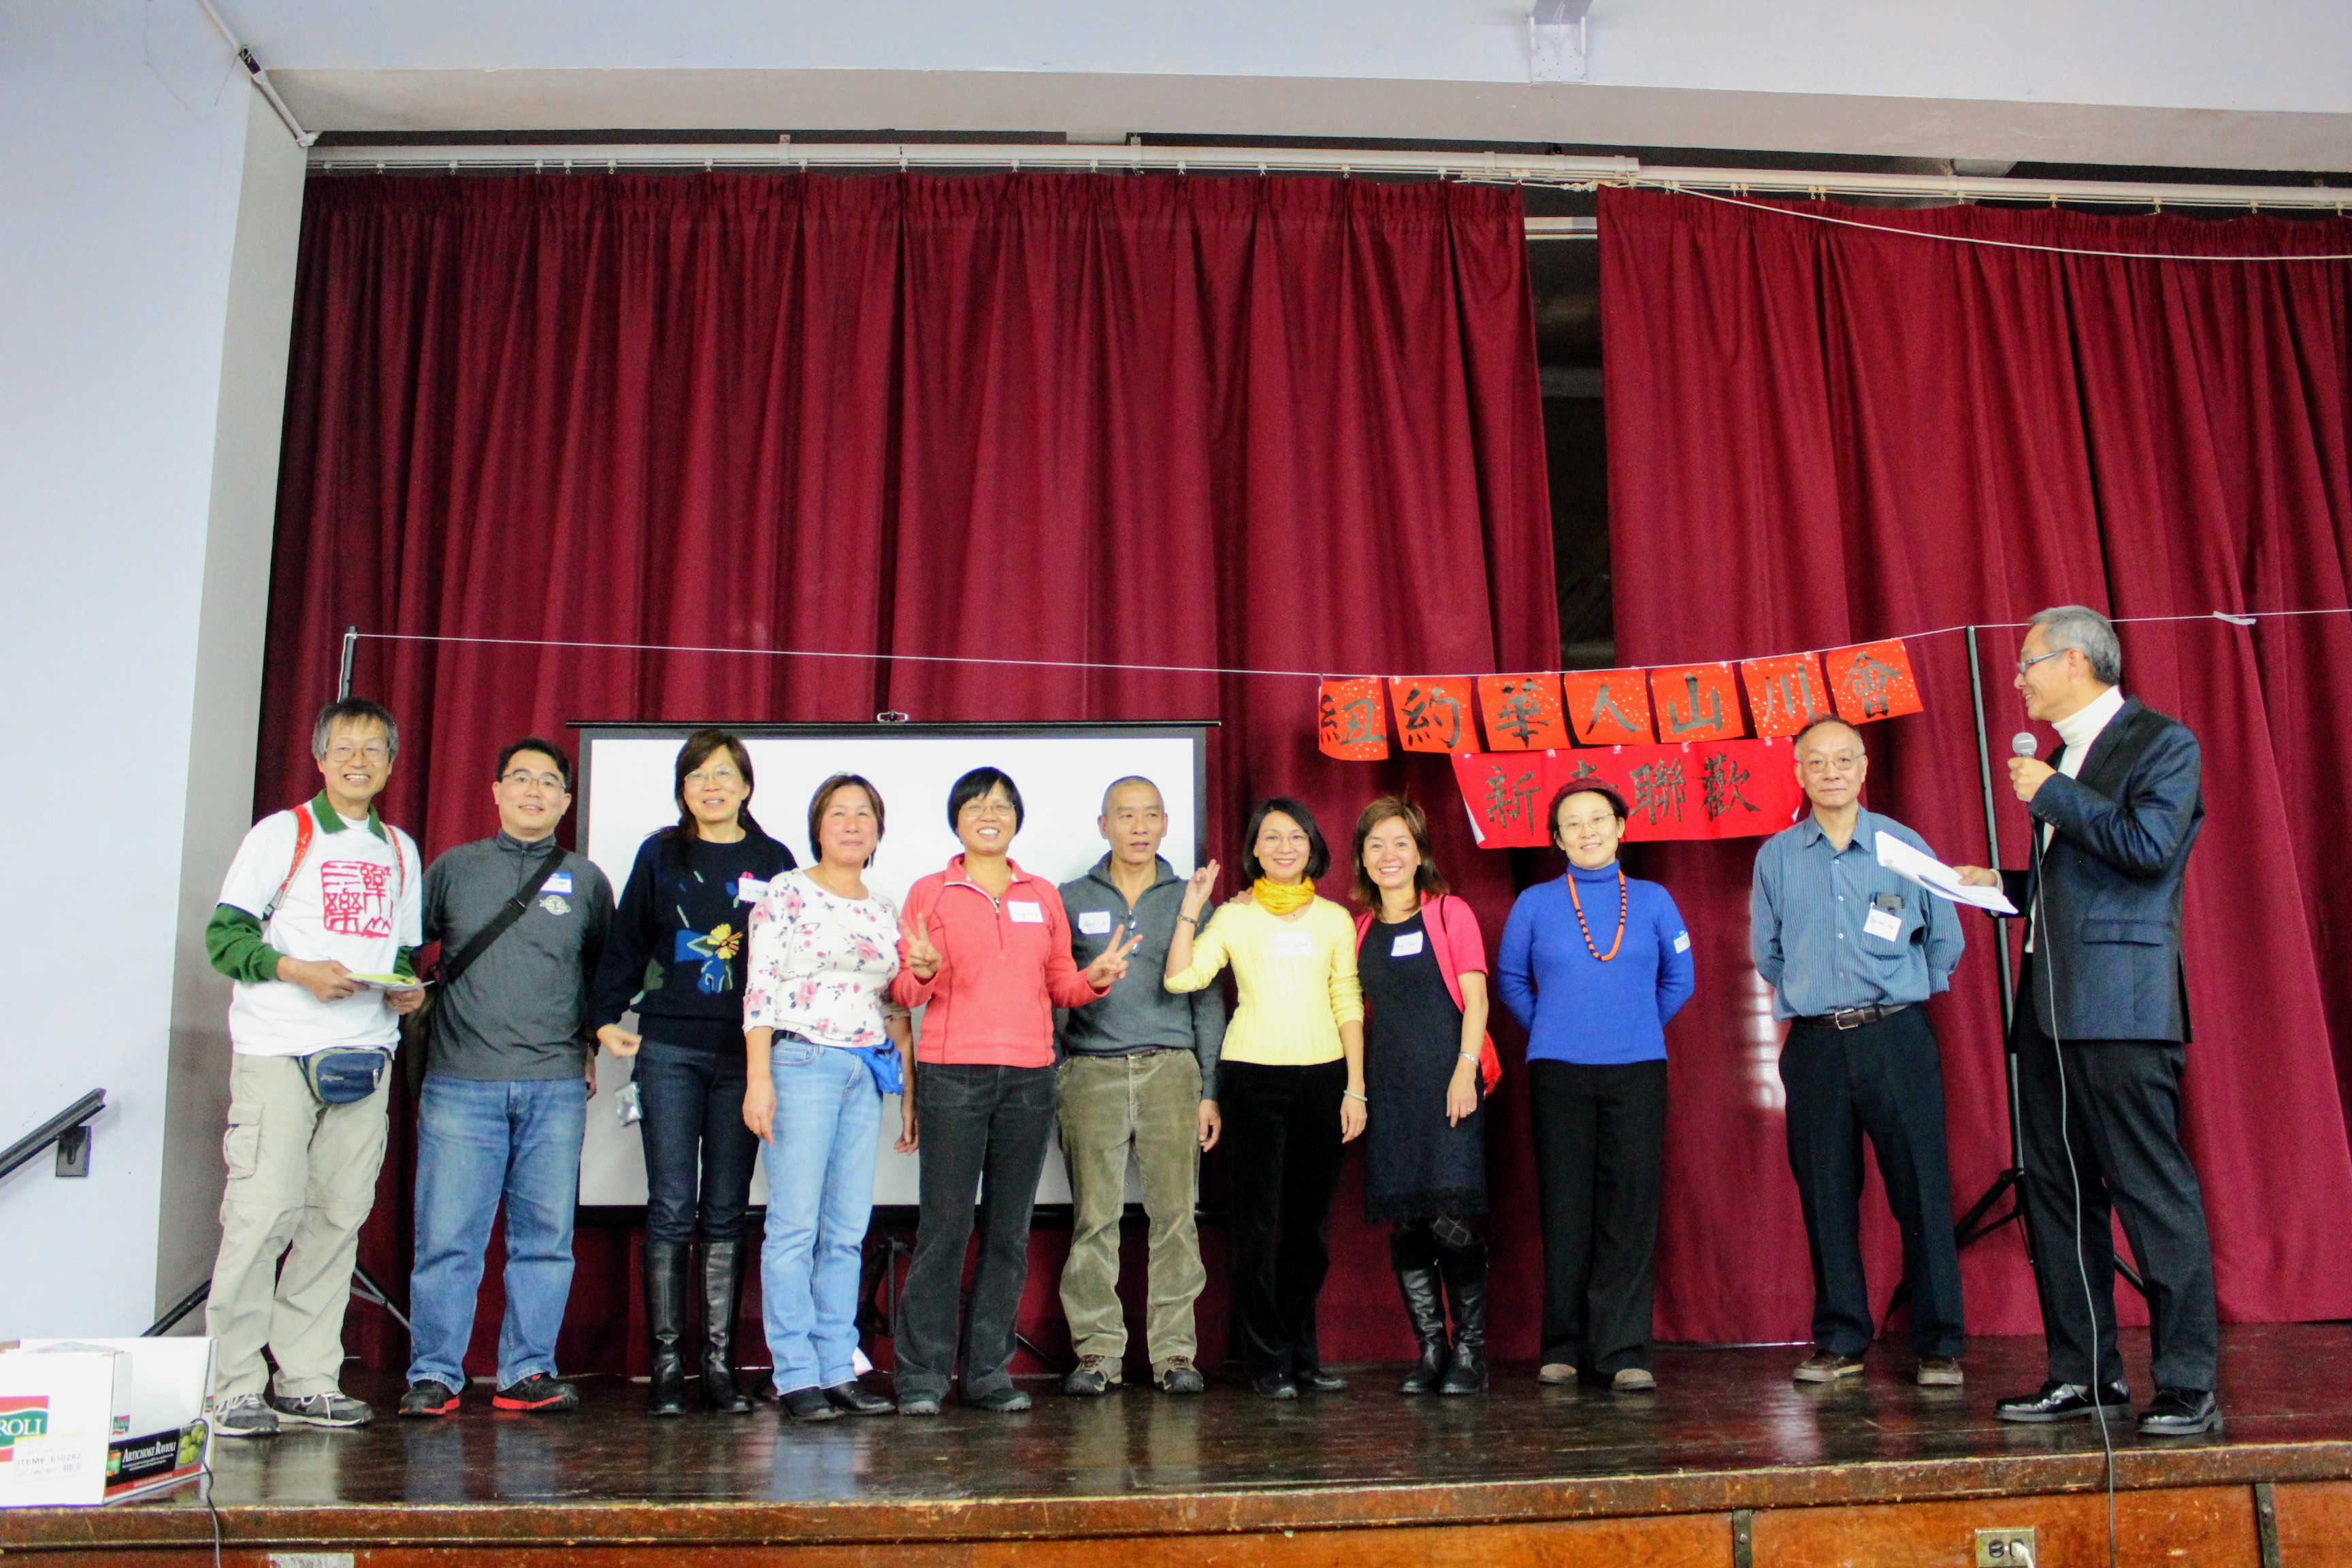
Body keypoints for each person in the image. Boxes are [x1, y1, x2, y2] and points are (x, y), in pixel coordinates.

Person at [1954, 606, 2217, 1436]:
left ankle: (2188, 1382)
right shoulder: (2062, 757)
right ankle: (2084, 1373)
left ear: (2076, 661)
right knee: (2060, 1196)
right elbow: (2081, 886)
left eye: (2028, 662)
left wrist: (2056, 794)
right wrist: (2002, 887)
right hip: (2047, 1008)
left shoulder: (2161, 743)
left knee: (2151, 1192)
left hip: (2123, 1009)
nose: (2018, 679)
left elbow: (2146, 851)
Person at [199, 697, 425, 1437]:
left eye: (373, 749)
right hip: (278, 1049)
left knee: (336, 1219)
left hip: (366, 1055)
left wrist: (406, 989)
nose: (359, 761)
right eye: (345, 748)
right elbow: (225, 939)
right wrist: (299, 970)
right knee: (263, 1214)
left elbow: (397, 952)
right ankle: (232, 1385)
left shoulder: (400, 850)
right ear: (320, 758)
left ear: (391, 763)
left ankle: (307, 1378)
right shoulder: (283, 834)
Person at [889, 768, 1137, 1416]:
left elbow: (1061, 987)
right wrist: (921, 973)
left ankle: (987, 1375)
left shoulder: (1042, 894)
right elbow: (906, 991)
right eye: (975, 805)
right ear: (956, 820)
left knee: (1008, 1233)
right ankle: (921, 1378)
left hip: (1029, 1077)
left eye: (1001, 805)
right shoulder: (929, 892)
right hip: (953, 1076)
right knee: (945, 1229)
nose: (989, 815)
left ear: (1017, 819)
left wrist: (1096, 978)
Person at [1750, 717, 1967, 1388]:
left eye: (1844, 759)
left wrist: (1903, 992)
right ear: (1799, 773)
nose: (1831, 772)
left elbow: (1946, 939)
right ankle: (1841, 1338)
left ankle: (1939, 1343)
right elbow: (1768, 953)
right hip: (1815, 1045)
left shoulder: (1905, 846)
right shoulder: (1777, 857)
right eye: (1816, 762)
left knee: (1921, 1191)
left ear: (1865, 767)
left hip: (1896, 1037)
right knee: (1826, 1195)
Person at [399, 738, 613, 1420]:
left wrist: (589, 1047)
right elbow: (400, 949)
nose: (534, 791)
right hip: (461, 1082)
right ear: (495, 791)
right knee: (448, 1239)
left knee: (545, 1241)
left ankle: (528, 1370)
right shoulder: (454, 869)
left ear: (566, 801)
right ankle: (435, 1373)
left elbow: (603, 979)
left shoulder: (586, 880)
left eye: (548, 782)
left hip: (555, 1086)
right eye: (520, 778)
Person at [589, 730, 797, 1416]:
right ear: (683, 789)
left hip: (747, 1057)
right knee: (672, 1206)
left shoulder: (774, 860)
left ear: (746, 785)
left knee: (727, 1209)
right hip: (669, 1051)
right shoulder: (660, 854)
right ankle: (668, 1372)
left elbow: (793, 955)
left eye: (724, 773)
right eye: (698, 775)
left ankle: (718, 1369)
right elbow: (627, 941)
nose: (712, 785)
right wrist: (603, 1017)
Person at [1166, 797, 1365, 1400]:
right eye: (1272, 837)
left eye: (1296, 837)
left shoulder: (1333, 919)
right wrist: (1192, 910)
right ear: (1254, 849)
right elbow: (1181, 978)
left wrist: (1355, 1086)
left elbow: (1347, 1000)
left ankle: (1301, 1354)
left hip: (1324, 1078)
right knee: (1256, 1226)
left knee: (1310, 1229)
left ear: (1313, 848)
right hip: (1251, 1078)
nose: (1285, 847)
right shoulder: (1233, 917)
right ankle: (1266, 1359)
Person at [1499, 783, 1693, 1393]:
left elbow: (1681, 977)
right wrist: (1553, 1027)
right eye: (1572, 824)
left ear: (1621, 827)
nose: (1587, 832)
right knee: (1566, 1207)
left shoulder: (1655, 900)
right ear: (1557, 839)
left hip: (1638, 1070)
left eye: (1598, 820)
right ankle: (1563, 1346)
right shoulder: (1534, 902)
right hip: (1558, 1071)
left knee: (1629, 1209)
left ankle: (1623, 1350)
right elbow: (1510, 979)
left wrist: (1635, 1025)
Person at [741, 774, 915, 1423]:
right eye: (838, 813)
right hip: (800, 1062)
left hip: (863, 1072)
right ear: (818, 826)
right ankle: (794, 1374)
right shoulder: (786, 892)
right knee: (794, 1226)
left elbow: (895, 1006)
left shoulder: (885, 907)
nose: (851, 824)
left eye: (863, 814)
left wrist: (908, 1091)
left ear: (877, 830)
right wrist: (759, 1077)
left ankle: (838, 1368)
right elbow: (759, 988)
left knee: (845, 1230)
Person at [1055, 777, 1226, 1398]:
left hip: (1171, 1071)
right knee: (1093, 1219)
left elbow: (1208, 1000)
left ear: (1165, 823)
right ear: (1103, 825)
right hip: (1091, 1072)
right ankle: (1097, 1353)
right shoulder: (1069, 898)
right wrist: (1057, 1072)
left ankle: (1175, 1353)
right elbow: (1054, 992)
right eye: (1125, 816)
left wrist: (1210, 1087)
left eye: (1150, 815)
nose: (1139, 827)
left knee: (1175, 1217)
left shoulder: (1190, 899)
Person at [1351, 797, 1495, 1396]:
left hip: (1449, 1087)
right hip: (1390, 1093)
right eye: (1376, 844)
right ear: (1362, 857)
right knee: (1407, 1222)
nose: (1389, 855)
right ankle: (1432, 1350)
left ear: (1419, 854)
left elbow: (1477, 1000)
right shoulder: (1358, 929)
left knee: (1449, 1217)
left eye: (1400, 843)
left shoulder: (1448, 913)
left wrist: (1465, 1070)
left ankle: (1471, 1352)